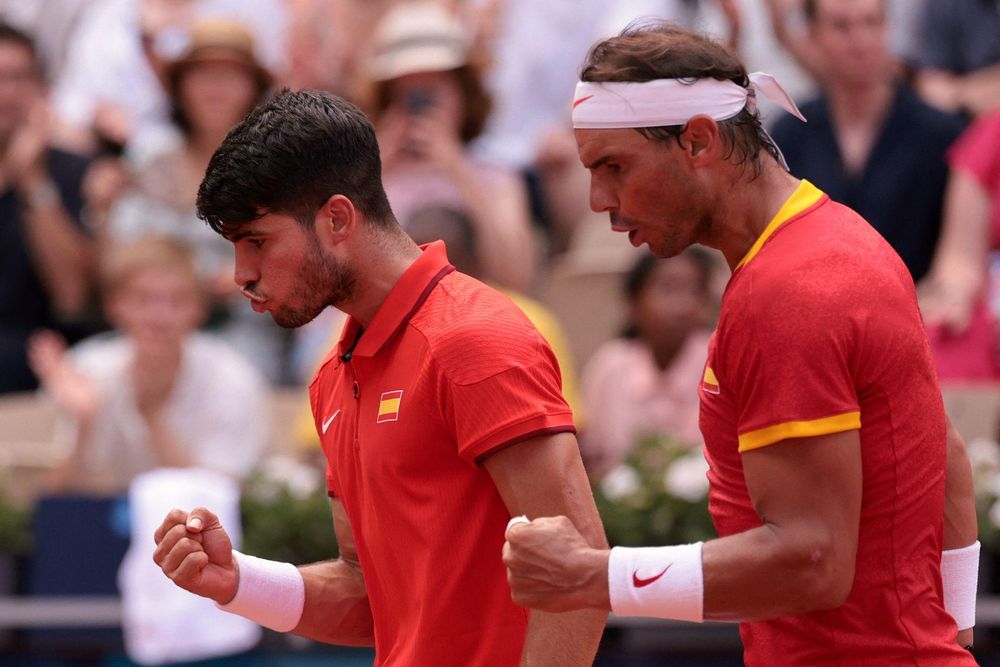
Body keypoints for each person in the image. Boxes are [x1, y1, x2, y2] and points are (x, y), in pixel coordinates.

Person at [501, 22, 980, 665]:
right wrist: (952, 633)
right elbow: (945, 455)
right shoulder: (840, 237)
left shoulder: (787, 291)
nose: (598, 200)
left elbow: (812, 560)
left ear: (699, 140)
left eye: (615, 167)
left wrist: (592, 575)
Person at [150, 89, 607, 666]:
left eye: (257, 242)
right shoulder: (331, 376)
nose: (242, 274)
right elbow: (371, 596)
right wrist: (238, 581)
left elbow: (580, 575)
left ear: (337, 219)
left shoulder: (475, 339)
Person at [27, 236, 268, 495]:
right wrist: (84, 424)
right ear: (114, 307)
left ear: (199, 309)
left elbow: (222, 500)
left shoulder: (232, 379)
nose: (159, 317)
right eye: (143, 300)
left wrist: (152, 418)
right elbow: (49, 500)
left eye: (176, 301)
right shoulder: (85, 369)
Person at [769, 0, 965, 283]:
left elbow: (956, 261)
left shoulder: (942, 135)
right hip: (814, 298)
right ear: (812, 35)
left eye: (871, 22)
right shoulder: (789, 134)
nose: (860, 41)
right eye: (841, 26)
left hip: (918, 301)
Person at [367, 1, 538, 291]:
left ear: (463, 92)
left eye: (430, 93)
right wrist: (373, 171)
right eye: (407, 95)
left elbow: (515, 278)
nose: (420, 109)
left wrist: (456, 168)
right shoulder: (368, 179)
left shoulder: (495, 177)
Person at [0, 21, 94, 394]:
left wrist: (33, 179)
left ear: (42, 89)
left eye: (19, 78)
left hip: (42, 364)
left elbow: (72, 296)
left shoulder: (76, 172)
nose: (6, 93)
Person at [580, 250, 715, 480]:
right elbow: (592, 455)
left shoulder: (718, 361)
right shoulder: (610, 366)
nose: (683, 304)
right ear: (633, 302)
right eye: (667, 289)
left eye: (695, 290)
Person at [920, 109, 1000, 381]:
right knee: (936, 346)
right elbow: (960, 259)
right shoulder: (992, 134)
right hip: (991, 307)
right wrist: (954, 293)